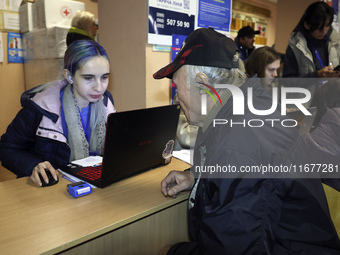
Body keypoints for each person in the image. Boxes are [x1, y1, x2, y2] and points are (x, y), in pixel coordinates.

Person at [153, 27, 340, 254]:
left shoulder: (238, 145)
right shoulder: (244, 110)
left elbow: (233, 249)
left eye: (176, 85)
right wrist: (197, 175)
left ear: (202, 84)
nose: (175, 96)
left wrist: (171, 252)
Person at [0, 40, 116, 186]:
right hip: (52, 190)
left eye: (104, 77)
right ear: (69, 76)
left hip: (92, 185)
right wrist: (33, 165)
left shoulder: (106, 104)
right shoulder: (40, 107)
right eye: (88, 78)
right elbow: (7, 149)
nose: (99, 88)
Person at [283, 1, 340, 78]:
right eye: (318, 27)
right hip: (308, 90)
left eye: (327, 25)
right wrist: (317, 76)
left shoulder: (336, 40)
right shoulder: (296, 46)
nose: (324, 31)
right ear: (306, 25)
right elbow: (287, 82)